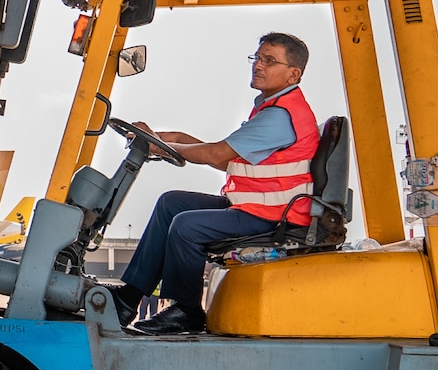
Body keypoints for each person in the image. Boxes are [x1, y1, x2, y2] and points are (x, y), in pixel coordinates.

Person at [110, 32, 320, 336]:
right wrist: (163, 139)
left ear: (293, 73)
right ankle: (127, 299)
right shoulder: (271, 108)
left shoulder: (281, 116)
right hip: (257, 208)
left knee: (187, 226)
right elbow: (224, 159)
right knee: (172, 203)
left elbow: (216, 154)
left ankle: (187, 311)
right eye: (257, 58)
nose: (258, 65)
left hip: (275, 217)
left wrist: (157, 146)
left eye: (269, 60)